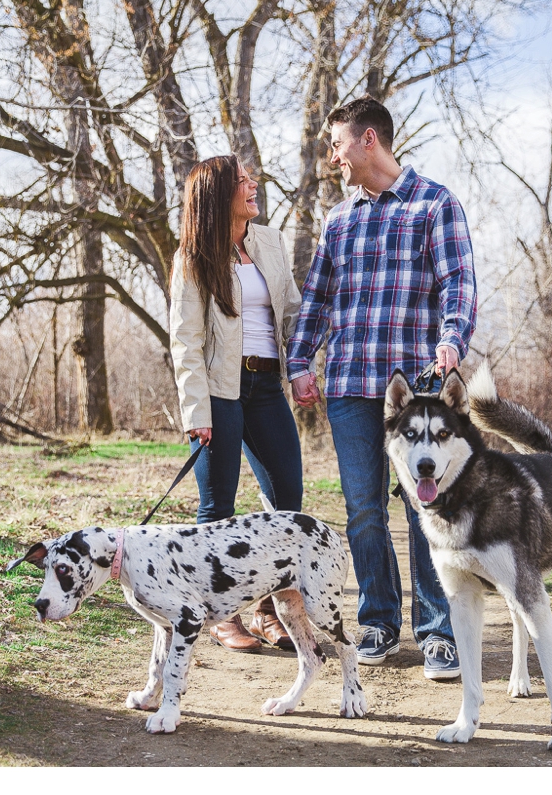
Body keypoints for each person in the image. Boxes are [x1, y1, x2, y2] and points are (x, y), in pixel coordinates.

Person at [286, 95, 477, 680]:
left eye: (338, 144)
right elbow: (317, 297)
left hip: (413, 390)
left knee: (427, 505)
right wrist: (300, 361)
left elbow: (458, 284)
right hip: (348, 384)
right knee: (363, 508)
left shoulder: (434, 205)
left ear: (369, 140)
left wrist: (452, 339)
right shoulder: (339, 219)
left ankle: (438, 630)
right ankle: (377, 621)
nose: (333, 157)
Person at [170, 154, 304, 652]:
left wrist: (303, 367)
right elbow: (185, 341)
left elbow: (290, 308)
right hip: (219, 392)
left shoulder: (267, 240)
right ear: (218, 195)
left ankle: (267, 609)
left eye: (251, 178)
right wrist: (196, 414)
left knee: (287, 498)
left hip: (268, 388)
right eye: (243, 181)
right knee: (217, 508)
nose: (253, 185)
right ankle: (218, 615)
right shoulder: (192, 257)